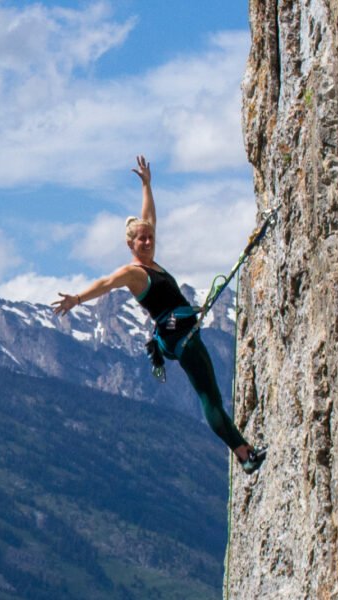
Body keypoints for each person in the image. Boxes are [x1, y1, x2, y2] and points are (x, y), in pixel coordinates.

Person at [50, 156, 267, 474]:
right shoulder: (134, 273)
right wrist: (78, 299)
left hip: (182, 333)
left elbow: (148, 218)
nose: (148, 241)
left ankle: (244, 450)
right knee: (210, 397)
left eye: (150, 238)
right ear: (130, 244)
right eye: (142, 239)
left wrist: (147, 185)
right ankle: (244, 454)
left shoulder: (151, 261)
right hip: (179, 336)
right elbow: (106, 284)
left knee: (213, 395)